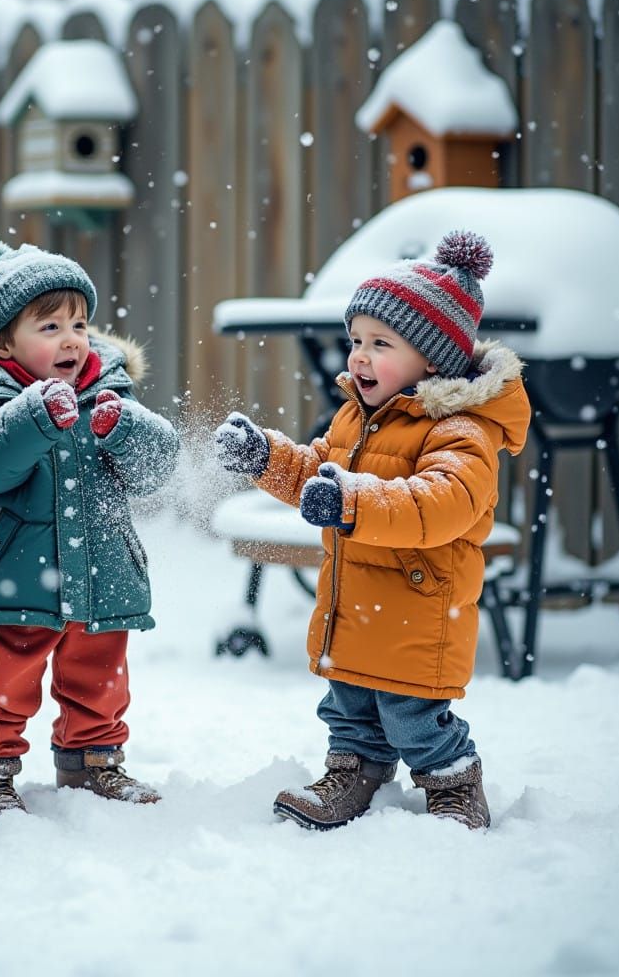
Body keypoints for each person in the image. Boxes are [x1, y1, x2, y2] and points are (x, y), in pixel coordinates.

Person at [214, 231, 530, 831]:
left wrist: (353, 501)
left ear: (432, 358)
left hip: (417, 608)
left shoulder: (460, 430)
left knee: (415, 715)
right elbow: (318, 471)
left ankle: (454, 782)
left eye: (380, 343)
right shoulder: (358, 417)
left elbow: (444, 502)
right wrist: (265, 458)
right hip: (353, 605)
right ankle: (352, 771)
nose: (358, 356)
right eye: (355, 339)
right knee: (348, 709)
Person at [0, 239, 179, 819]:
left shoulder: (110, 392)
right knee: (8, 677)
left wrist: (127, 429)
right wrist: (33, 418)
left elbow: (157, 469)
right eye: (50, 326)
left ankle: (93, 762)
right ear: (3, 343)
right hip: (20, 571)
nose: (71, 339)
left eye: (79, 323)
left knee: (99, 676)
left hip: (105, 568)